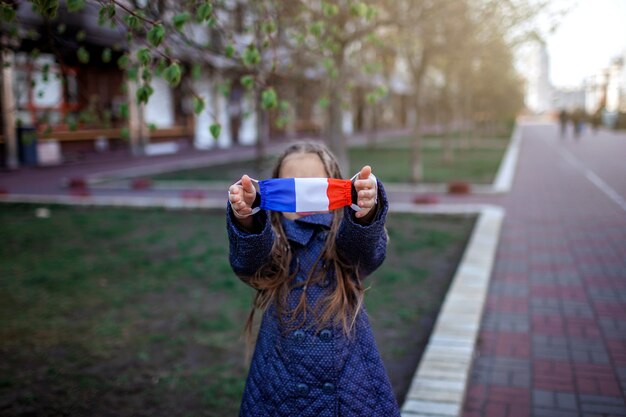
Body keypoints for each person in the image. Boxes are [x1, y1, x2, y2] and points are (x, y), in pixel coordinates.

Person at [226, 142, 400, 417]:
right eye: (293, 188)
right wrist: (247, 220)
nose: (305, 196)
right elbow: (250, 264)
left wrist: (365, 215)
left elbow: (365, 253)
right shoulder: (272, 241)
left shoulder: (343, 235)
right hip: (280, 381)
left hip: (351, 383)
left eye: (315, 187)